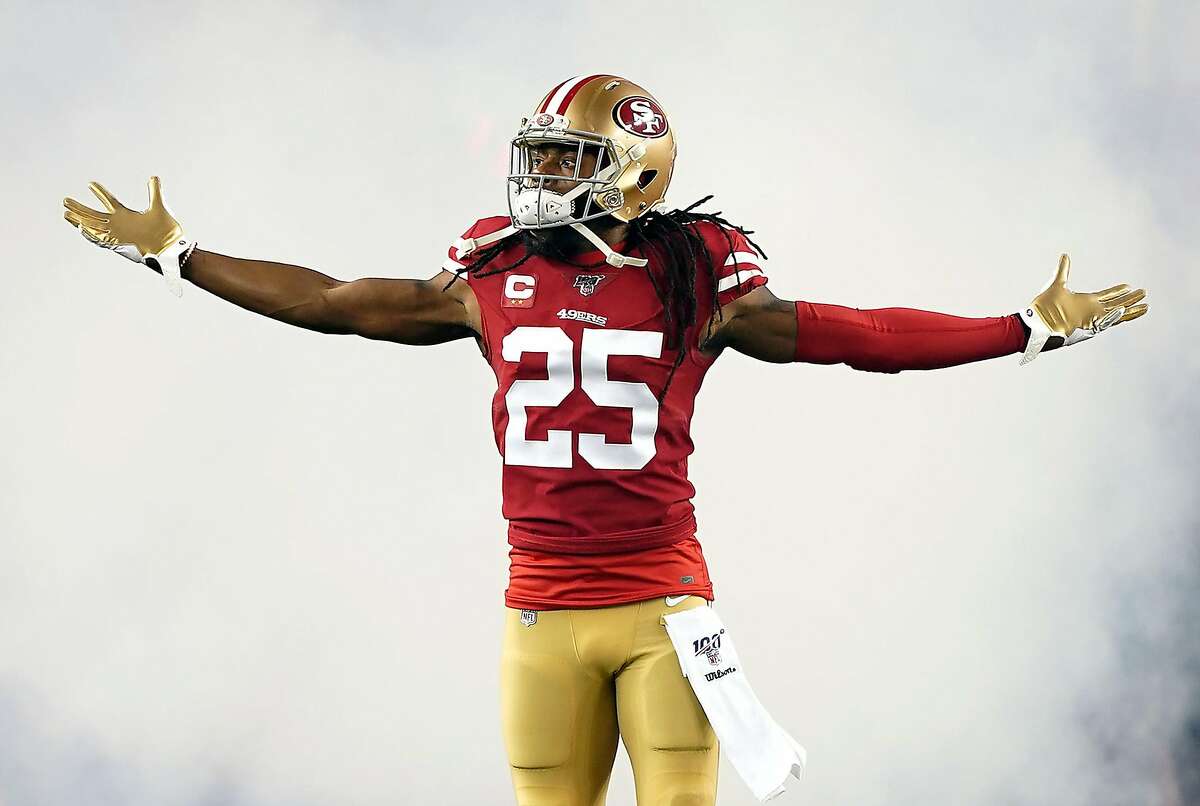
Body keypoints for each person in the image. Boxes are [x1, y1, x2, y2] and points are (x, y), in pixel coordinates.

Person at [62, 74, 1148, 806]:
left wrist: (1024, 326)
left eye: (567, 154)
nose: (539, 172)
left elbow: (856, 335)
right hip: (537, 610)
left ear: (634, 169)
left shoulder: (696, 277)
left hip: (662, 609)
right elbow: (343, 299)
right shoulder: (492, 273)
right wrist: (184, 255)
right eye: (541, 152)